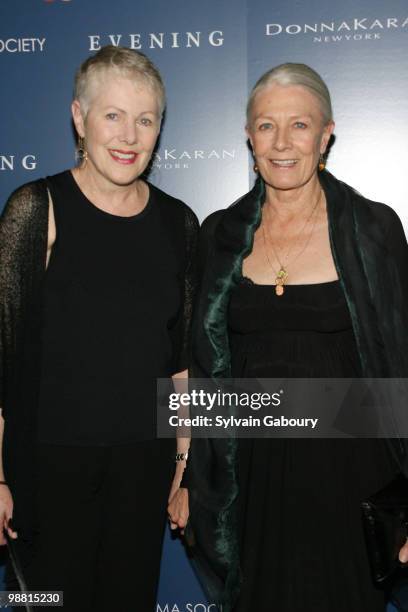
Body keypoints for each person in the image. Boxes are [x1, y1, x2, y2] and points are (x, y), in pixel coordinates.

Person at [173, 63, 408, 612]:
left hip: (353, 478)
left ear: (327, 133)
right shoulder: (219, 234)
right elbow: (198, 363)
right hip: (248, 481)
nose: (281, 143)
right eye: (266, 126)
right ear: (249, 137)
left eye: (299, 125)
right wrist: (185, 471)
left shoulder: (375, 229)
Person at [0, 45, 198, 611]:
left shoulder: (178, 223)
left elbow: (181, 364)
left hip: (143, 472)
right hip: (44, 473)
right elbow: (1, 355)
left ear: (160, 127)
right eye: (112, 114)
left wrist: (185, 467)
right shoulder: (35, 209)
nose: (129, 134)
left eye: (145, 118)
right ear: (79, 118)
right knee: (46, 604)